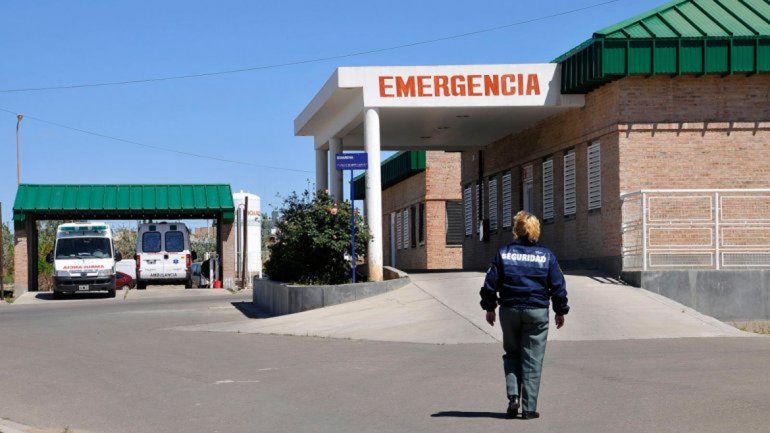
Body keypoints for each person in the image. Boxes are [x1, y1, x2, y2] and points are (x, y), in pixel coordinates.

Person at [479, 211, 569, 420]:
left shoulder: (503, 253)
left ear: (515, 230)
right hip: (537, 312)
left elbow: (490, 284)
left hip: (509, 310)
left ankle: (513, 397)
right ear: (536, 230)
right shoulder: (547, 256)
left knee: (511, 354)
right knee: (532, 359)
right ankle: (529, 409)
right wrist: (560, 310)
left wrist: (489, 307)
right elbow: (558, 286)